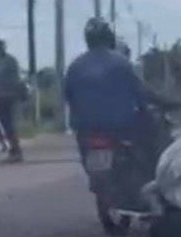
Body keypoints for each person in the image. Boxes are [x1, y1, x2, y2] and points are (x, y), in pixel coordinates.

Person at [65, 17, 166, 160]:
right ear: (109, 37)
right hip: (120, 129)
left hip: (87, 131)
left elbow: (68, 97)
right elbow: (141, 93)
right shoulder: (121, 63)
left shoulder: (75, 66)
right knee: (151, 137)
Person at [0, 39, 24, 162]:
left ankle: (16, 151)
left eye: (1, 47)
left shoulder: (11, 61)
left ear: (5, 48)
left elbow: (16, 79)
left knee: (10, 124)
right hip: (0, 96)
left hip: (9, 96)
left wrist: (15, 92)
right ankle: (13, 150)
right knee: (5, 125)